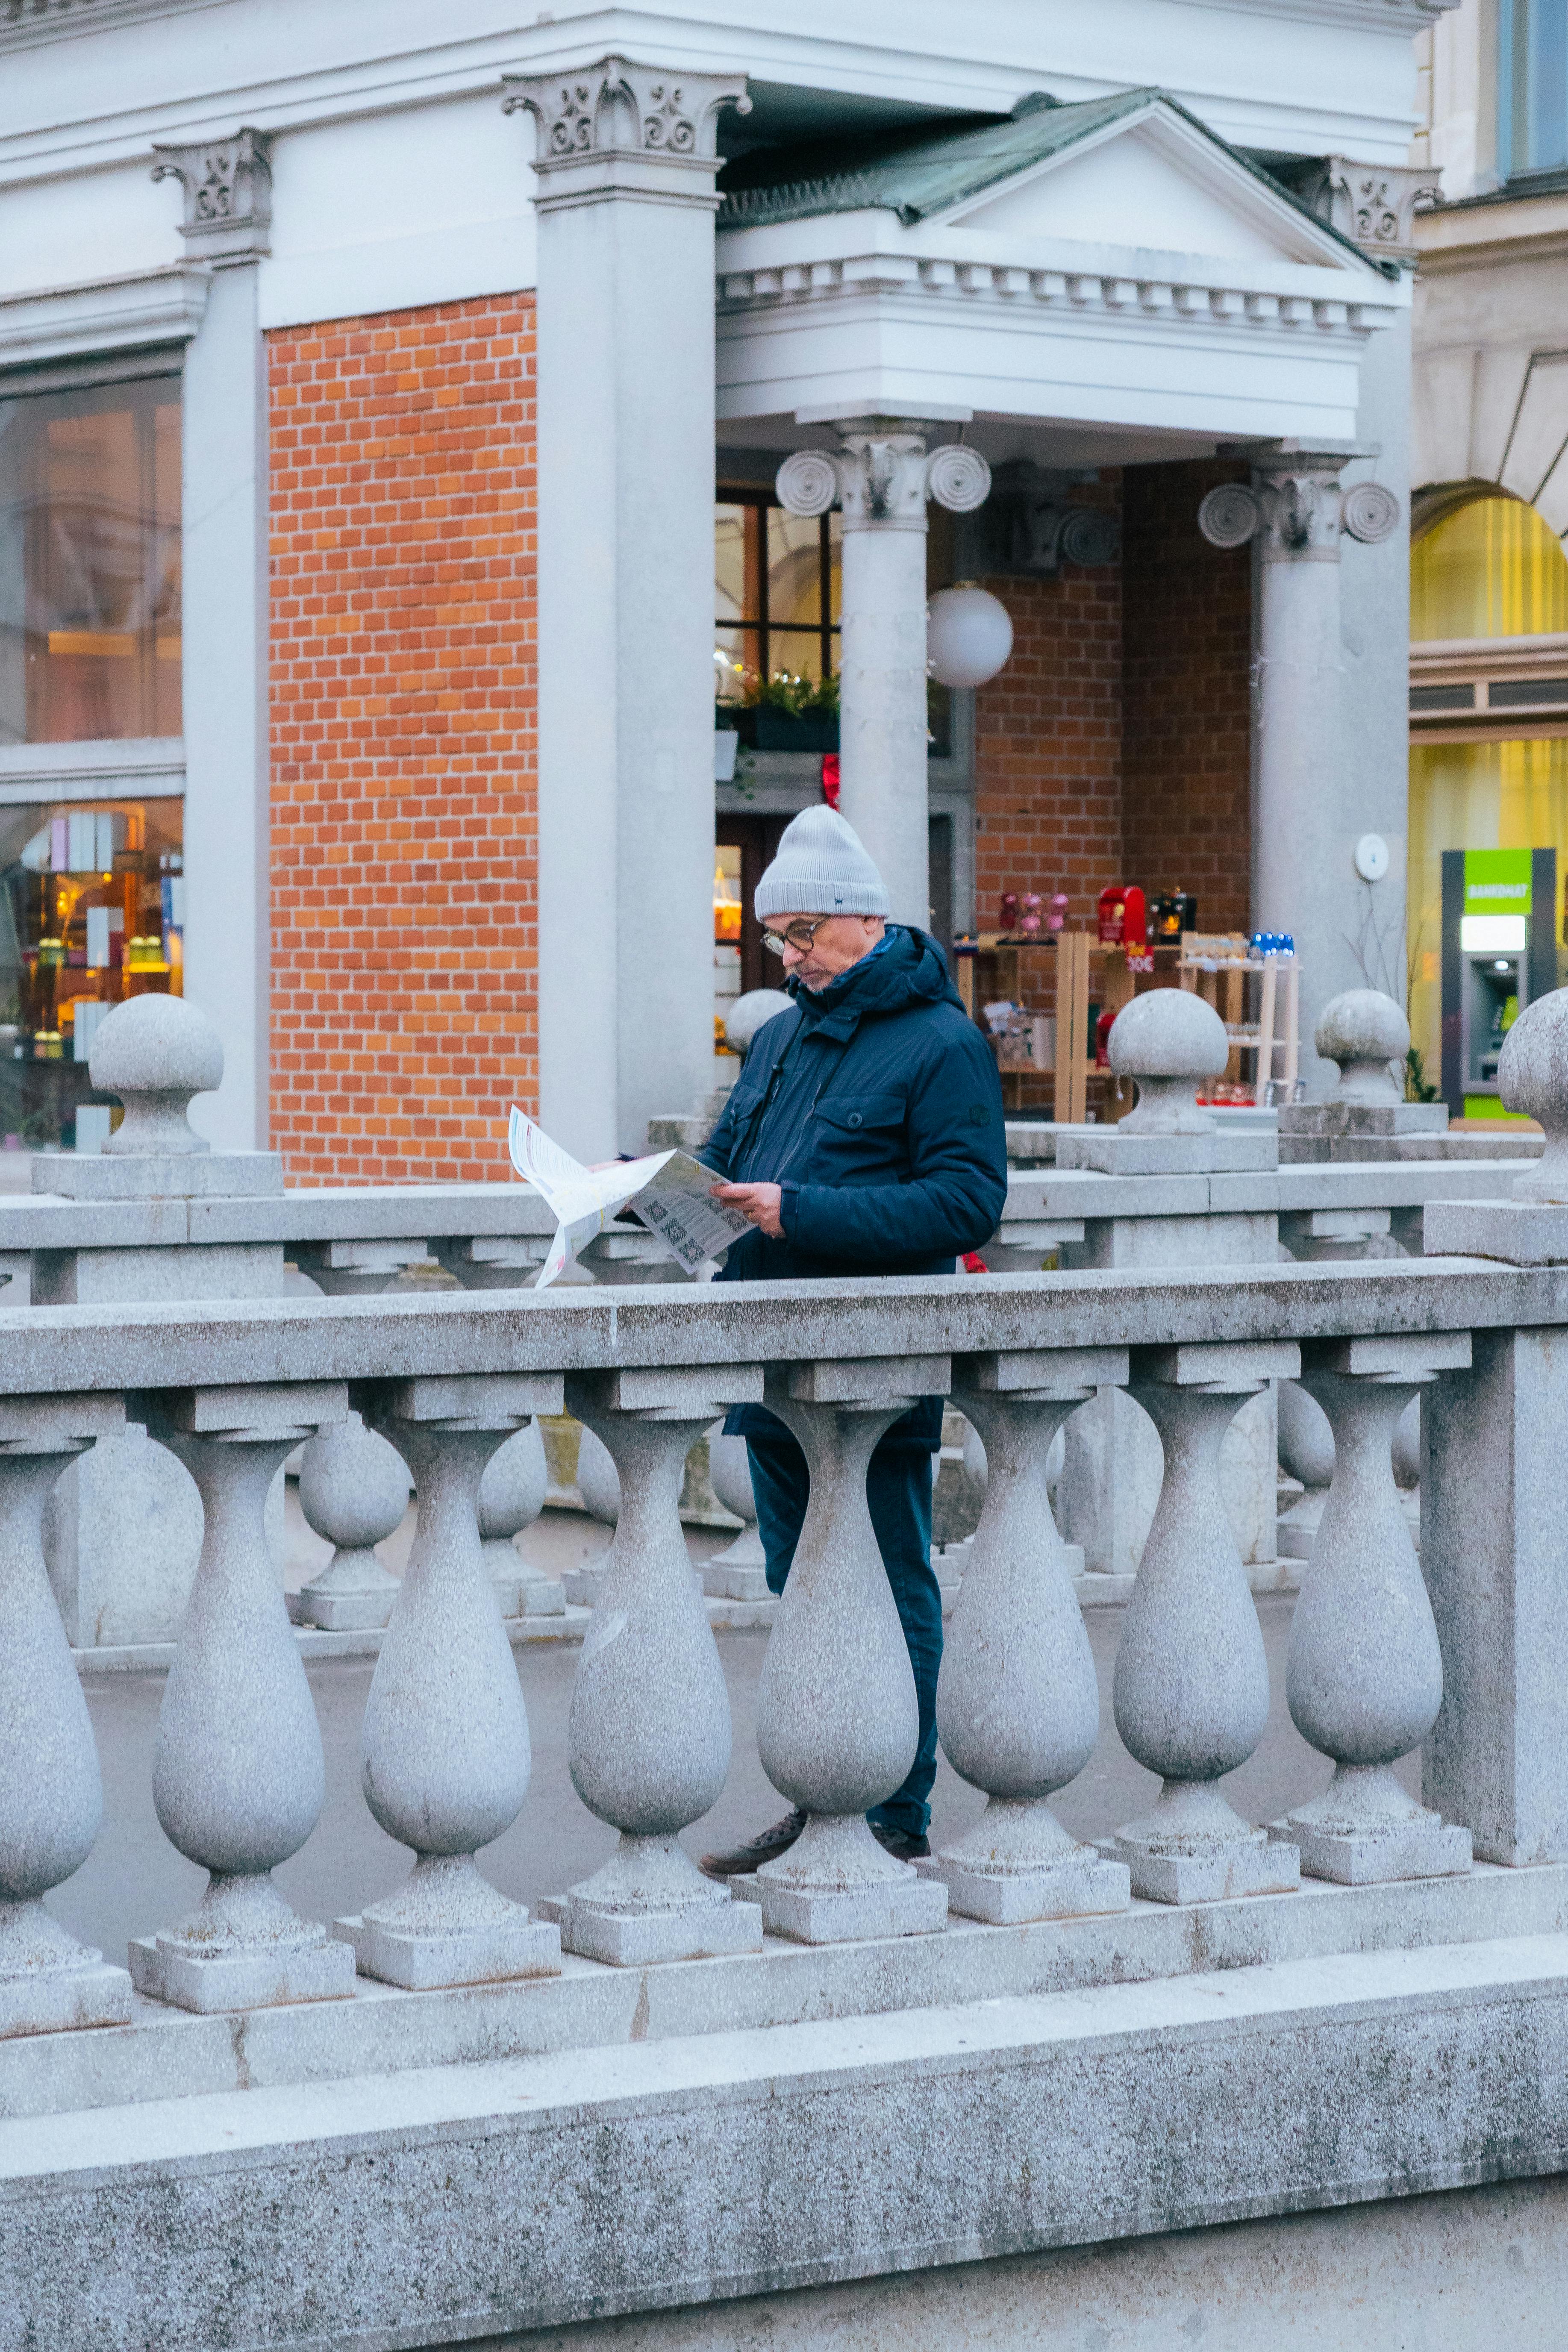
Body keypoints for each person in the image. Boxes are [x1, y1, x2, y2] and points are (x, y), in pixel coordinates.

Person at [695, 804, 1006, 1876]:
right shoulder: (779, 1036)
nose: (786, 957)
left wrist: (800, 1212)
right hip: (770, 1363)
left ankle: (895, 1809)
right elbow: (726, 1160)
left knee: (887, 1577)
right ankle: (825, 1790)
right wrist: (653, 1201)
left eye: (799, 936)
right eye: (777, 938)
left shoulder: (942, 1044)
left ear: (858, 920)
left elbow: (966, 1206)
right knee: (806, 1587)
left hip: (875, 1369)